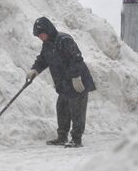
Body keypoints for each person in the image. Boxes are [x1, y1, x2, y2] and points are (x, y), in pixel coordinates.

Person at [26, 17, 95, 148]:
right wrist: (35, 70)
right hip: (64, 83)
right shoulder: (47, 44)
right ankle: (62, 137)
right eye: (38, 36)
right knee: (62, 108)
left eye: (41, 34)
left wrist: (76, 77)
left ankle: (76, 139)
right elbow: (43, 59)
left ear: (48, 30)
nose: (40, 37)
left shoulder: (64, 40)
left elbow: (76, 59)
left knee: (77, 110)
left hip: (78, 81)